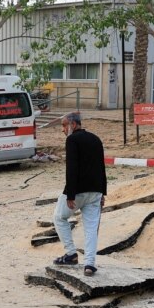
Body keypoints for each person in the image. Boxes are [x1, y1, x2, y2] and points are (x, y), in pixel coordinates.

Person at [52, 112, 107, 277]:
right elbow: (101, 167)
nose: (63, 130)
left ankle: (70, 254)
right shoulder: (96, 139)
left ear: (73, 125)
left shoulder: (72, 140)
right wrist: (102, 192)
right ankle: (89, 264)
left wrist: (70, 194)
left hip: (77, 191)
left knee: (59, 217)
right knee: (91, 228)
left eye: (64, 125)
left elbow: (72, 168)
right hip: (95, 190)